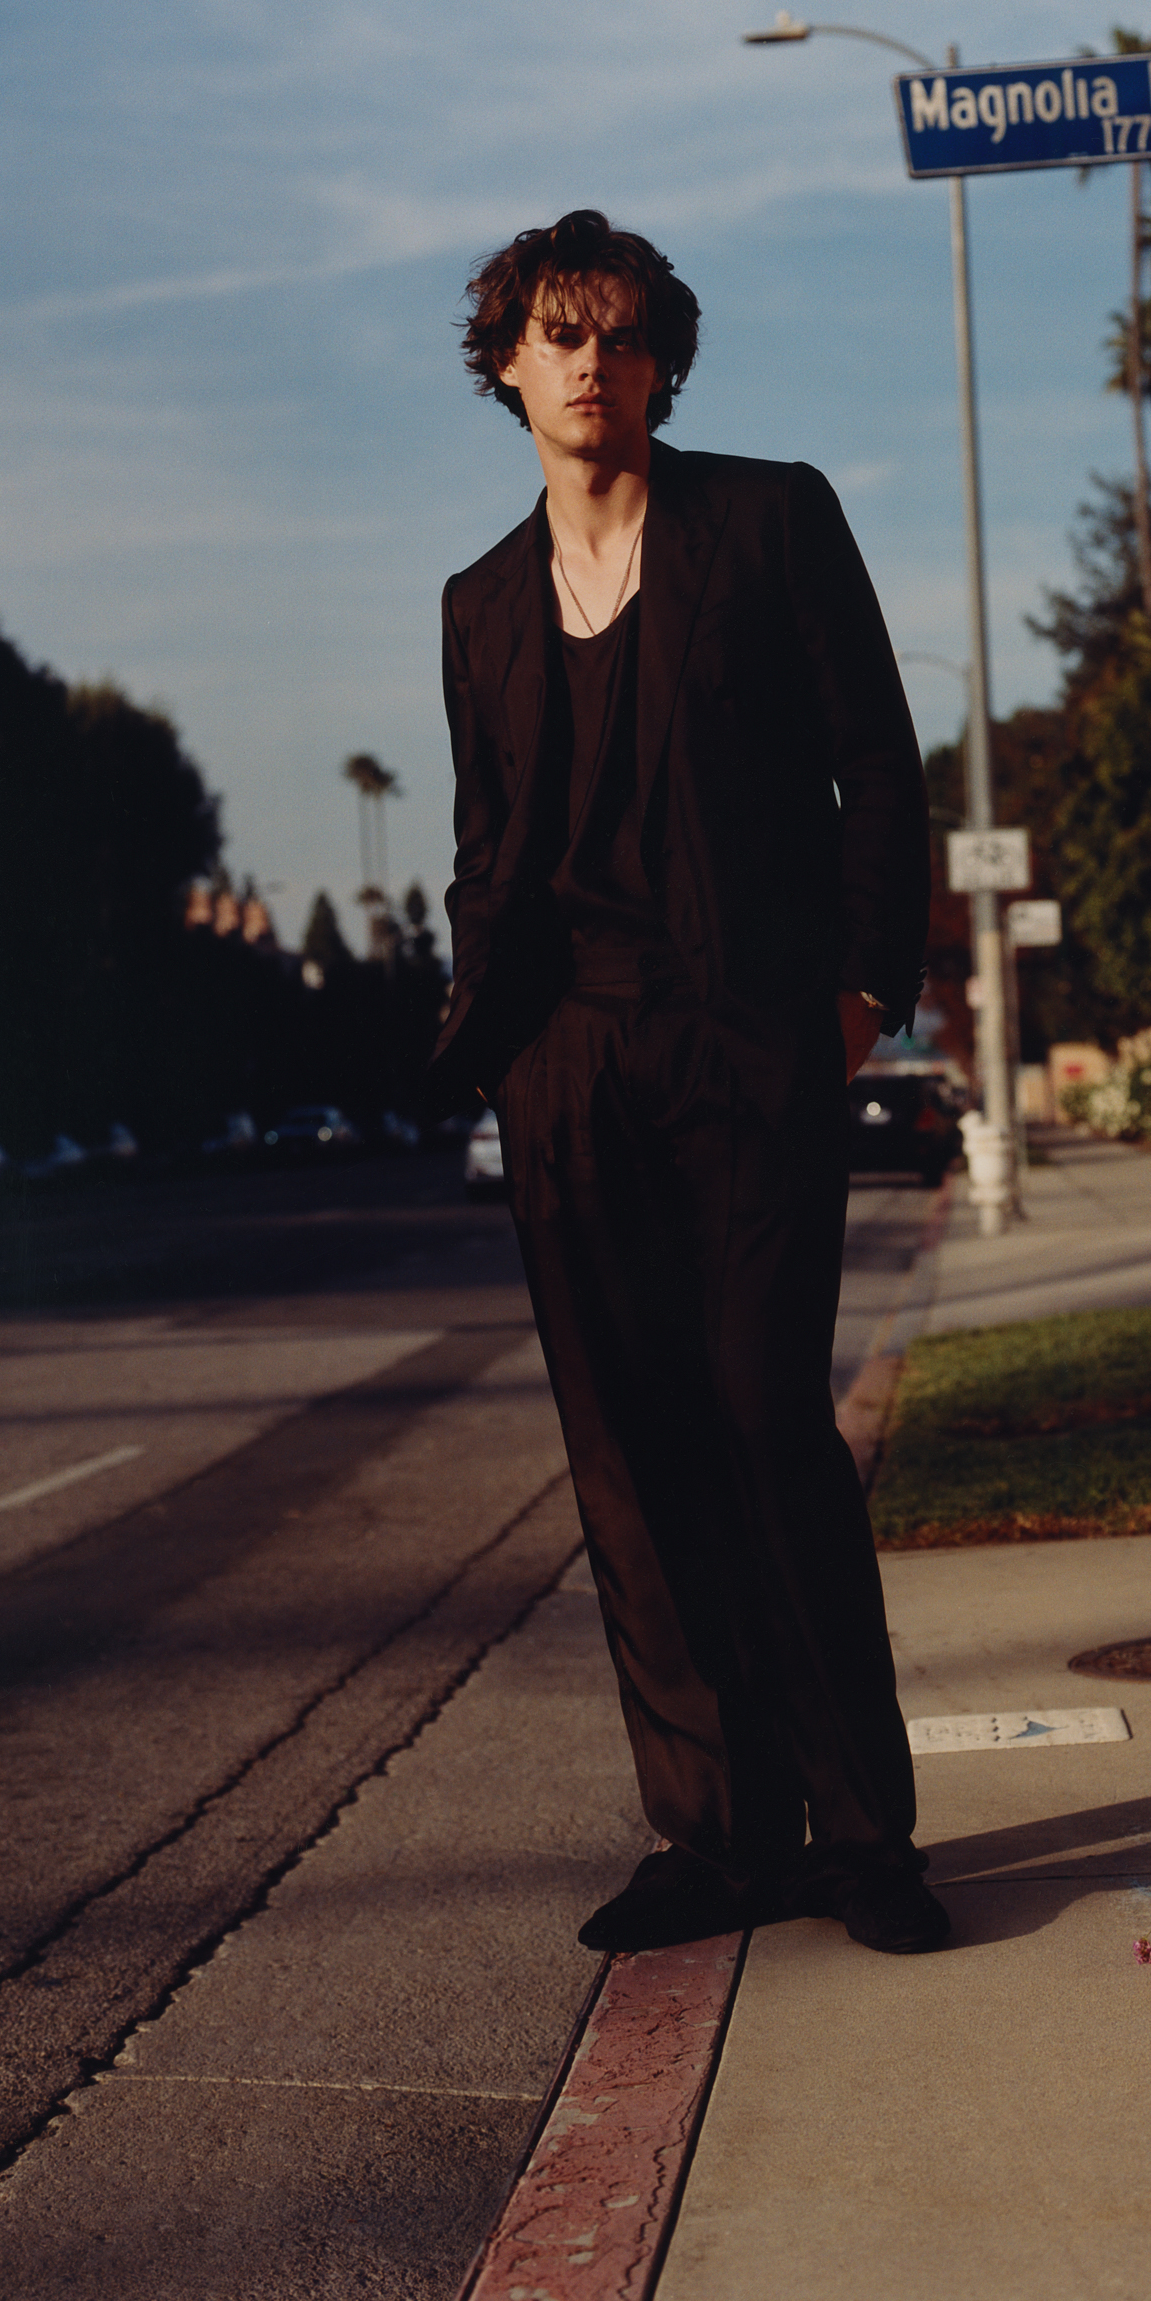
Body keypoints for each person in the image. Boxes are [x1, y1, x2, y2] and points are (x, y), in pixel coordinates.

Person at [433, 208, 951, 1957]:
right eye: (561, 335)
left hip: (748, 1043)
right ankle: (718, 1835)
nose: (593, 363)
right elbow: (488, 847)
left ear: (662, 365)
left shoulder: (771, 519)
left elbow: (877, 766)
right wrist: (498, 1051)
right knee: (628, 1458)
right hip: (567, 1063)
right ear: (509, 368)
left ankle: (862, 1837)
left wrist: (865, 992)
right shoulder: (480, 607)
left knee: (761, 1416)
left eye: (623, 335)